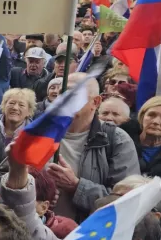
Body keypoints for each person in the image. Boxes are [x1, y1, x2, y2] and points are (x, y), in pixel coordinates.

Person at [44, 72, 140, 220]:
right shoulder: (40, 132)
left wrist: (76, 186)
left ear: (95, 102)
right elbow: (7, 177)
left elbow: (127, 200)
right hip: (39, 233)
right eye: (63, 93)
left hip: (85, 234)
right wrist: (35, 188)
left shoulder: (116, 140)